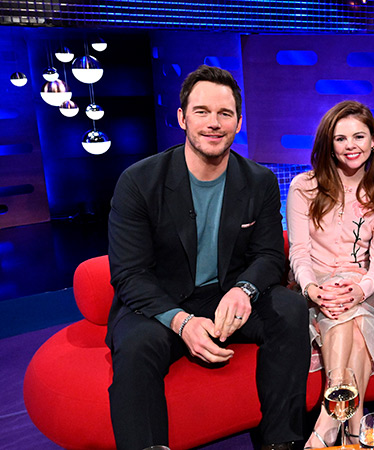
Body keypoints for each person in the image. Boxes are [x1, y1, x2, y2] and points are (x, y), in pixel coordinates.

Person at [106, 65, 308, 450]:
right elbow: (129, 274)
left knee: (290, 309)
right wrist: (182, 322)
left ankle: (281, 442)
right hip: (160, 302)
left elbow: (268, 254)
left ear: (237, 122)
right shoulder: (138, 181)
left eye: (224, 114)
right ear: (182, 117)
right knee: (136, 346)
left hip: (225, 295)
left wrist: (244, 290)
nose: (213, 123)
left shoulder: (260, 180)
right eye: (201, 112)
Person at [286, 100, 374, 449]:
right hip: (315, 282)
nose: (351, 146)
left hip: (363, 284)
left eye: (359, 136)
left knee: (349, 299)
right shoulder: (303, 187)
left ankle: (327, 422)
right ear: (329, 145)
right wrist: (312, 288)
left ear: (373, 142)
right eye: (341, 138)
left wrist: (360, 289)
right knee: (353, 318)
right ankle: (351, 425)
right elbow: (298, 252)